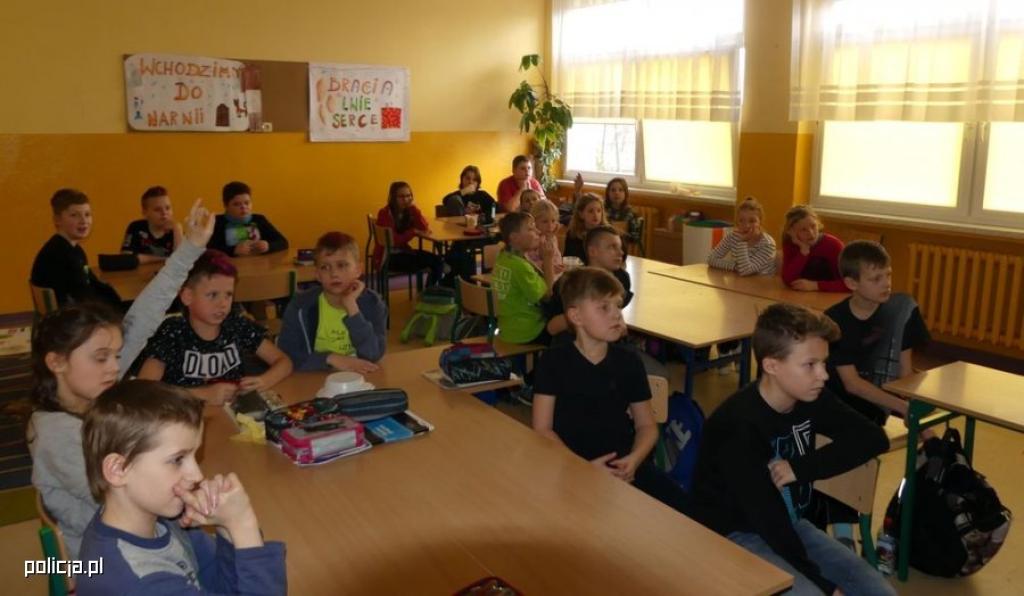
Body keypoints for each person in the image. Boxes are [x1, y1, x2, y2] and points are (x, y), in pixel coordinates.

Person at [28, 200, 215, 558]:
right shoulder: (55, 435)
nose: (115, 367)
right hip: (101, 562)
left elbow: (142, 316)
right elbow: (132, 494)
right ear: (57, 362)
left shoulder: (90, 384)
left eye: (116, 355)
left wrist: (191, 248)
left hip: (143, 533)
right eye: (102, 357)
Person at [689, 303, 893, 596]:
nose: (823, 375)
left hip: (790, 525)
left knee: (880, 593)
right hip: (731, 536)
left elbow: (873, 438)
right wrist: (826, 586)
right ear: (771, 365)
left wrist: (800, 468)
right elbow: (769, 523)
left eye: (824, 363)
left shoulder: (811, 397)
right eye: (810, 365)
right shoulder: (737, 426)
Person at [77, 380, 286, 595]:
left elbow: (217, 585)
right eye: (177, 460)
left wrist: (226, 528)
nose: (197, 476)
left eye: (194, 456)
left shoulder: (161, 516)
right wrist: (243, 524)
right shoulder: (138, 584)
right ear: (118, 469)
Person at [532, 267, 688, 514]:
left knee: (687, 513)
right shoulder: (553, 361)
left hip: (623, 467)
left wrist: (634, 460)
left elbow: (646, 426)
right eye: (604, 307)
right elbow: (542, 429)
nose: (616, 314)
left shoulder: (628, 362)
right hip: (568, 467)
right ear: (576, 316)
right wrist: (580, 468)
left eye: (617, 306)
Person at [137, 250, 293, 404]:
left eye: (228, 295)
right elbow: (144, 389)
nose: (223, 304)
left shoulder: (236, 324)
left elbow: (284, 362)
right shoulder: (171, 331)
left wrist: (264, 381)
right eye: (212, 295)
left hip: (229, 413)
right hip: (181, 414)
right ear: (187, 296)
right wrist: (201, 394)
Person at [825, 240, 930, 426]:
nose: (886, 284)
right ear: (851, 283)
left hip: (877, 405)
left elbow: (904, 370)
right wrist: (903, 407)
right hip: (841, 405)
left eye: (888, 275)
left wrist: (917, 417)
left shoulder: (902, 311)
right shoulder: (835, 320)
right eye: (876, 279)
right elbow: (852, 384)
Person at [279, 231, 387, 373]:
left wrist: (352, 308)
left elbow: (373, 354)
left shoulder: (372, 303)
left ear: (358, 270)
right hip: (314, 376)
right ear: (317, 275)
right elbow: (287, 356)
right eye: (325, 267)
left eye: (342, 265)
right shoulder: (300, 306)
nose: (334, 274)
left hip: (359, 377)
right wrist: (330, 358)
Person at [31, 188, 121, 308]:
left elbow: (92, 282)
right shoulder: (59, 254)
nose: (83, 221)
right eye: (74, 215)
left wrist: (117, 300)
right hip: (68, 315)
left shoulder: (75, 250)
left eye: (87, 215)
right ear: (57, 220)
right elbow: (82, 296)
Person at [546, 225, 631, 337]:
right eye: (612, 247)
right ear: (592, 251)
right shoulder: (571, 282)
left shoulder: (622, 278)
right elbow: (552, 328)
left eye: (620, 247)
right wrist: (587, 316)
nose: (621, 253)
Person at [493, 212, 555, 345]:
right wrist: (548, 259)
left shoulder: (503, 257)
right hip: (528, 331)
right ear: (514, 238)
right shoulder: (520, 266)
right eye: (531, 229)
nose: (538, 231)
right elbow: (548, 295)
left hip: (508, 328)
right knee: (568, 329)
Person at [373, 181, 444, 287]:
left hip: (403, 252)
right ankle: (429, 291)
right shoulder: (385, 213)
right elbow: (393, 241)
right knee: (436, 263)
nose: (406, 199)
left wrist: (414, 208)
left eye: (408, 196)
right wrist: (413, 232)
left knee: (437, 261)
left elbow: (424, 228)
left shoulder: (408, 211)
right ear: (393, 198)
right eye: (401, 196)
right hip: (388, 258)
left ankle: (429, 290)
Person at [208, 181, 289, 257]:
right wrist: (233, 250)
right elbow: (208, 250)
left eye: (247, 203)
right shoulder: (216, 222)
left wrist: (268, 246)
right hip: (229, 265)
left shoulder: (259, 219)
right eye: (236, 204)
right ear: (226, 206)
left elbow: (283, 242)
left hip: (258, 264)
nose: (243, 207)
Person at [781, 205, 847, 293]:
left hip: (831, 296)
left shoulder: (834, 245)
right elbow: (788, 280)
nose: (811, 233)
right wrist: (803, 252)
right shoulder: (792, 244)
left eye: (813, 226)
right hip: (804, 297)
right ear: (792, 232)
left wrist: (816, 285)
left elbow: (850, 285)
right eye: (803, 230)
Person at [707, 197, 777, 276]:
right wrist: (734, 266)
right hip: (739, 281)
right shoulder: (732, 236)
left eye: (752, 221)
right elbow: (711, 259)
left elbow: (745, 271)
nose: (746, 225)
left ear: (760, 222)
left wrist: (742, 241)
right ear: (737, 222)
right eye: (741, 221)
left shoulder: (768, 244)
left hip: (762, 282)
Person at [121, 185, 182, 264]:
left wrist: (177, 230)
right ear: (145, 212)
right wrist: (164, 259)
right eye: (157, 209)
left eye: (168, 208)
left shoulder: (175, 230)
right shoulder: (136, 227)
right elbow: (126, 257)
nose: (164, 213)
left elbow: (181, 261)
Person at [563, 193, 609, 262]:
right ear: (581, 214)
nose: (595, 215)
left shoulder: (607, 233)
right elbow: (568, 258)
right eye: (591, 211)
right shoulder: (573, 234)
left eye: (599, 211)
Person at [524, 199, 564, 275]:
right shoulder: (532, 240)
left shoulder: (552, 238)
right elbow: (529, 262)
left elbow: (556, 256)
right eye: (545, 222)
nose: (550, 226)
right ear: (534, 222)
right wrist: (545, 266)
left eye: (553, 221)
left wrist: (558, 265)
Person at [603, 177, 642, 250]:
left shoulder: (630, 213)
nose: (616, 193)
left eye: (620, 190)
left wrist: (623, 234)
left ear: (625, 193)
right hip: (602, 247)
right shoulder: (601, 210)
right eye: (613, 190)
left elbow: (635, 238)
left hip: (621, 249)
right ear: (608, 193)